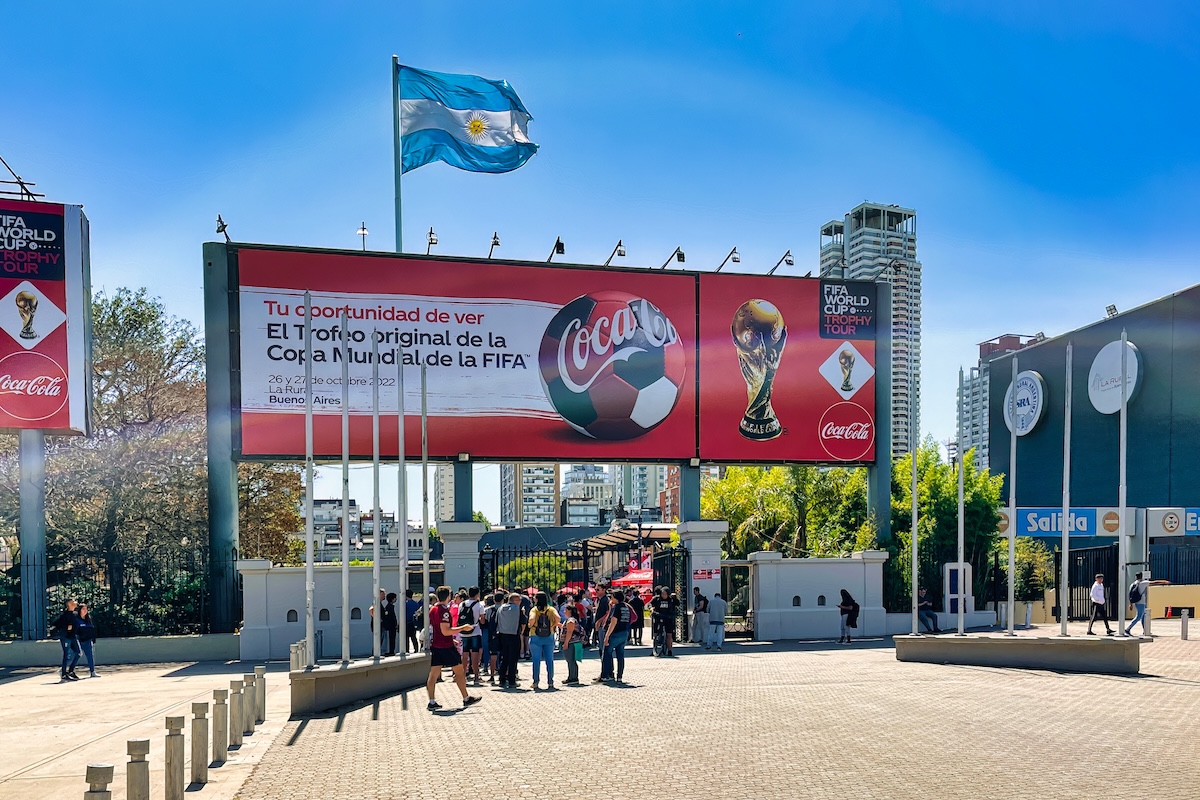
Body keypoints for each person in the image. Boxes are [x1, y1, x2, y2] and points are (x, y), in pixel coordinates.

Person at [425, 587, 481, 711]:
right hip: (446, 647)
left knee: (433, 674)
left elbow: (439, 630)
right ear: (448, 597)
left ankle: (431, 701)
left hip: (437, 645)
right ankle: (466, 698)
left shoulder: (433, 609)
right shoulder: (443, 611)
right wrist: (462, 628)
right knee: (459, 671)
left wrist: (452, 638)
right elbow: (445, 631)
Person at [527, 591, 561, 690]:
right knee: (549, 660)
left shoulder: (534, 610)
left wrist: (530, 625)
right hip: (549, 636)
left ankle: (536, 682)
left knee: (536, 660)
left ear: (537, 599)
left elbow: (532, 619)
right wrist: (553, 625)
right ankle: (550, 682)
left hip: (535, 636)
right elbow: (558, 618)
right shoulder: (551, 609)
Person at [597, 590, 632, 682]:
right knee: (620, 655)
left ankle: (606, 675)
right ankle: (619, 676)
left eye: (612, 597)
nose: (611, 599)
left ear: (616, 598)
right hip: (624, 632)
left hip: (615, 633)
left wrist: (607, 636)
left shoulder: (616, 607)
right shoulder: (626, 607)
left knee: (607, 653)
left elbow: (613, 622)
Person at [495, 592, 527, 688]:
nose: (520, 601)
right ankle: (512, 681)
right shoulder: (518, 609)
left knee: (504, 658)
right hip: (514, 635)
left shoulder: (501, 608)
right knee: (513, 659)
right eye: (519, 600)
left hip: (502, 635)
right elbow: (523, 622)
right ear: (514, 600)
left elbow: (496, 621)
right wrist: (521, 632)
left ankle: (502, 679)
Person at [1125, 572, 1170, 636]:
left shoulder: (1132, 584)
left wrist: (1131, 604)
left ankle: (1146, 630)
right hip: (1141, 602)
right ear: (1141, 576)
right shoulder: (1143, 583)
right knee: (1138, 617)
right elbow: (1154, 583)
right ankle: (1127, 629)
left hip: (1136, 602)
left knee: (1143, 617)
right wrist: (1164, 582)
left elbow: (1130, 595)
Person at [51, 598, 81, 682]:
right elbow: (56, 624)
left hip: (73, 637)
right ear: (69, 604)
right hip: (66, 637)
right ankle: (64, 674)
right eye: (73, 601)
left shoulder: (75, 613)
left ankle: (70, 671)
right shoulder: (64, 615)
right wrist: (66, 628)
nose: (75, 602)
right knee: (66, 654)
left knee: (78, 653)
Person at [459, 587, 484, 684]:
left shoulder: (462, 604)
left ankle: (463, 675)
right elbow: (482, 620)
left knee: (464, 654)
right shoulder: (479, 605)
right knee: (475, 655)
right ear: (477, 594)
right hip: (475, 631)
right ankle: (476, 676)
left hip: (464, 632)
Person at [560, 602, 585, 685]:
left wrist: (566, 643)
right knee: (572, 661)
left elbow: (569, 632)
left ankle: (573, 678)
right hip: (574, 643)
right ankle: (572, 677)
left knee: (571, 660)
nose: (564, 612)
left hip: (571, 643)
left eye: (565, 610)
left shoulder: (571, 620)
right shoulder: (571, 620)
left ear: (569, 611)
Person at [650, 586, 677, 657]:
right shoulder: (657, 599)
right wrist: (652, 609)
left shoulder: (671, 600)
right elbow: (650, 604)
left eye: (665, 594)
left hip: (668, 618)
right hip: (658, 617)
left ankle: (669, 650)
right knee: (655, 633)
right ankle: (654, 647)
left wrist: (675, 598)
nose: (664, 595)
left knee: (669, 635)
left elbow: (677, 604)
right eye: (662, 594)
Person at [76, 602, 99, 678]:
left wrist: (93, 639)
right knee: (75, 656)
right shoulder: (77, 620)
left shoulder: (88, 620)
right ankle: (66, 670)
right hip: (79, 641)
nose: (85, 610)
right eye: (83, 609)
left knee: (90, 656)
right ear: (80, 610)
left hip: (88, 641)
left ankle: (92, 672)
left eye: (86, 609)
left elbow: (92, 630)